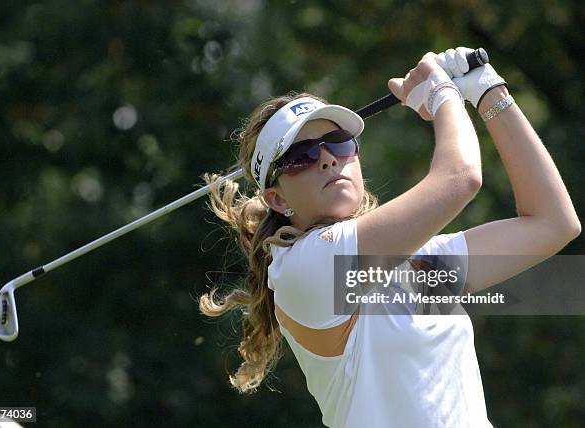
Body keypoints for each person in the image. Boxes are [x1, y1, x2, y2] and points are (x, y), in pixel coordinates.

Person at [198, 47, 581, 427]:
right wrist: (443, 94)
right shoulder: (304, 267)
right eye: (302, 157)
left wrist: (487, 90)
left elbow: (552, 223)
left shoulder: (418, 262)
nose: (329, 159)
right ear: (276, 198)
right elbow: (461, 178)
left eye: (339, 143)